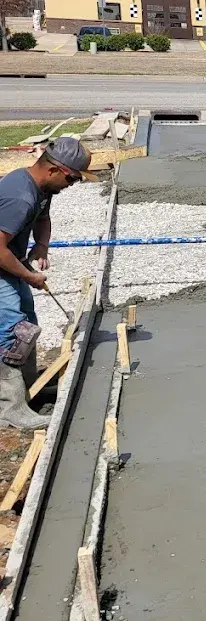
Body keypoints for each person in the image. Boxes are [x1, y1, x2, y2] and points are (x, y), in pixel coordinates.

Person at [0, 137, 95, 429]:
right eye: (74, 179)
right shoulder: (20, 196)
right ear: (56, 170)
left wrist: (41, 245)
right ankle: (9, 409)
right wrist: (28, 275)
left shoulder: (41, 188)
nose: (73, 185)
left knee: (27, 322)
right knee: (11, 332)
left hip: (8, 261)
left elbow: (44, 218)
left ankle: (29, 390)